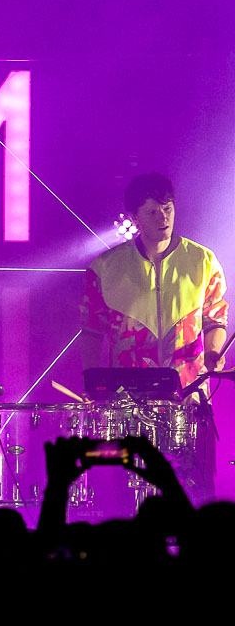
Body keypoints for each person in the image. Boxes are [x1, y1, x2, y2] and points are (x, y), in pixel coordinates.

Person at [79, 172, 226, 502]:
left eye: (168, 208)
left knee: (193, 496)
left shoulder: (203, 261)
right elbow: (91, 332)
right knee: (127, 496)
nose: (163, 218)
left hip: (189, 399)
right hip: (126, 402)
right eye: (153, 212)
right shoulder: (105, 268)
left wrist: (214, 352)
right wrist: (91, 384)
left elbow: (216, 320)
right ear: (135, 218)